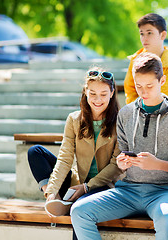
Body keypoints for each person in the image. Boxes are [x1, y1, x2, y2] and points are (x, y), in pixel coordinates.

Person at [70, 52, 168, 240]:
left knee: (166, 219)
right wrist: (122, 163)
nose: (143, 92)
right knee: (79, 211)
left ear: (162, 81)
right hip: (127, 191)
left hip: (165, 192)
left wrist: (157, 164)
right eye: (138, 86)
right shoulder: (126, 114)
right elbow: (121, 159)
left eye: (149, 86)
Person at [27, 66, 123, 214]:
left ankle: (70, 204)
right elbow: (65, 158)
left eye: (103, 94)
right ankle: (56, 200)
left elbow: (115, 165)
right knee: (35, 152)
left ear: (112, 93)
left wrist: (86, 187)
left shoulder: (120, 122)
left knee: (80, 210)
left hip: (103, 186)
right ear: (85, 92)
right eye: (93, 93)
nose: (98, 100)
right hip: (76, 183)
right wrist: (52, 191)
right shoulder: (74, 119)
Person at [124, 13, 168, 107]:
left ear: (163, 35)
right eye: (141, 34)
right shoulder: (135, 60)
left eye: (149, 33)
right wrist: (136, 112)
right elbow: (130, 90)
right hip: (140, 115)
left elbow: (165, 96)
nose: (144, 38)